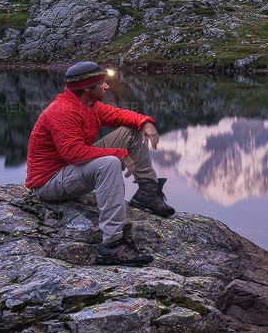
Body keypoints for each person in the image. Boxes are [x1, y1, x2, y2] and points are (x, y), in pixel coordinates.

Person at [25, 61, 176, 266]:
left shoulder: (87, 104)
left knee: (132, 130)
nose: (106, 86)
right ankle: (113, 244)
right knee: (109, 163)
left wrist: (145, 122)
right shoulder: (62, 111)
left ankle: (147, 192)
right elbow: (74, 154)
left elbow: (118, 115)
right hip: (49, 182)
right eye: (102, 83)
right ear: (87, 88)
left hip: (70, 171)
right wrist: (119, 153)